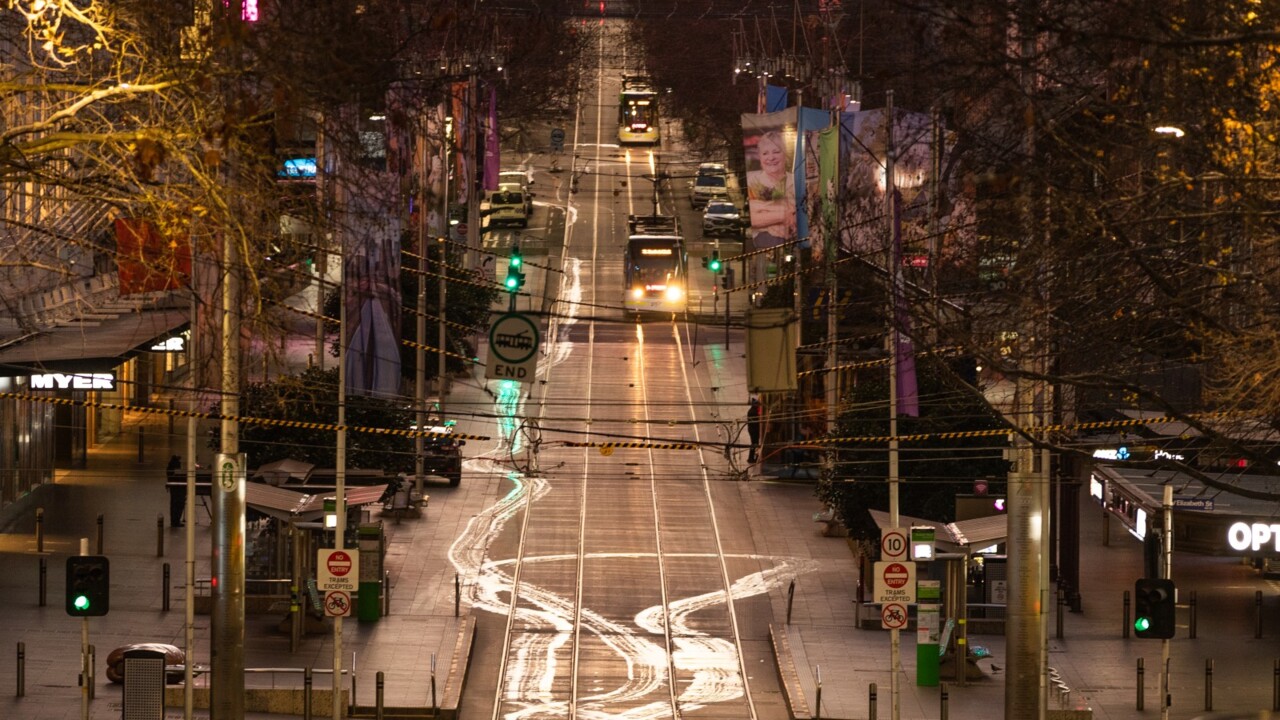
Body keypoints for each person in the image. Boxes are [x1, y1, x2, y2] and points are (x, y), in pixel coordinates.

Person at [746, 130, 797, 247]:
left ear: (785, 154)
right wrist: (785, 214)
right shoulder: (751, 180)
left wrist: (766, 214)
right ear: (759, 157)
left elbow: (801, 217)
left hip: (793, 242)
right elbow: (753, 219)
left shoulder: (796, 181)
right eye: (765, 153)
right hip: (763, 243)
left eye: (776, 152)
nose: (771, 157)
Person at [166, 455, 185, 528]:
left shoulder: (170, 467)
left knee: (174, 503)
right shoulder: (175, 466)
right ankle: (176, 521)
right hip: (178, 488)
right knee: (178, 504)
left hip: (173, 487)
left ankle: (174, 521)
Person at [746, 397, 762, 463]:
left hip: (753, 430)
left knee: (754, 444)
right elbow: (757, 422)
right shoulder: (753, 412)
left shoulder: (752, 410)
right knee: (754, 444)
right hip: (754, 431)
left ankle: (753, 457)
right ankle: (751, 458)